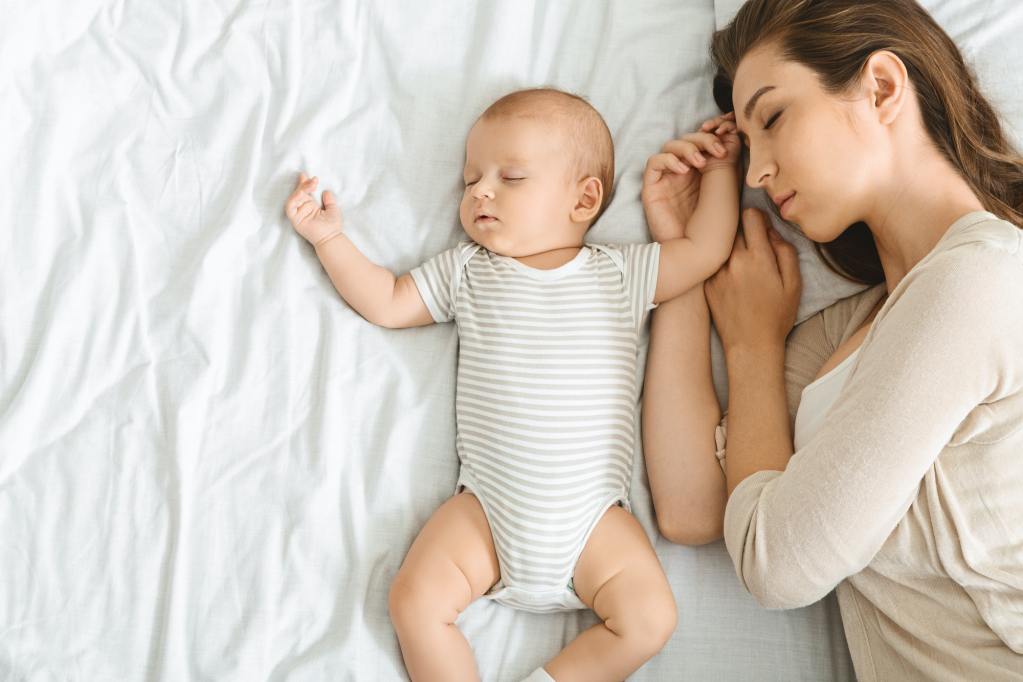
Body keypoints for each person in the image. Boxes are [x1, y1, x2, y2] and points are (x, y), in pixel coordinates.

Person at [284, 87, 742, 681]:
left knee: (650, 619)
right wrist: (329, 239)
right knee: (414, 602)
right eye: (470, 179)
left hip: (592, 523)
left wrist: (725, 171)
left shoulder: (621, 272)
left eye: (511, 177)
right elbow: (389, 302)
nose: (480, 191)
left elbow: (704, 250)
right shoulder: (469, 271)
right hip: (486, 514)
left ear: (584, 199)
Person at [643, 1, 1023, 679]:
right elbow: (694, 504)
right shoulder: (848, 334)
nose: (756, 171)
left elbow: (777, 565)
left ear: (880, 87)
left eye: (773, 117)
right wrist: (680, 257)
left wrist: (755, 354)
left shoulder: (985, 275)